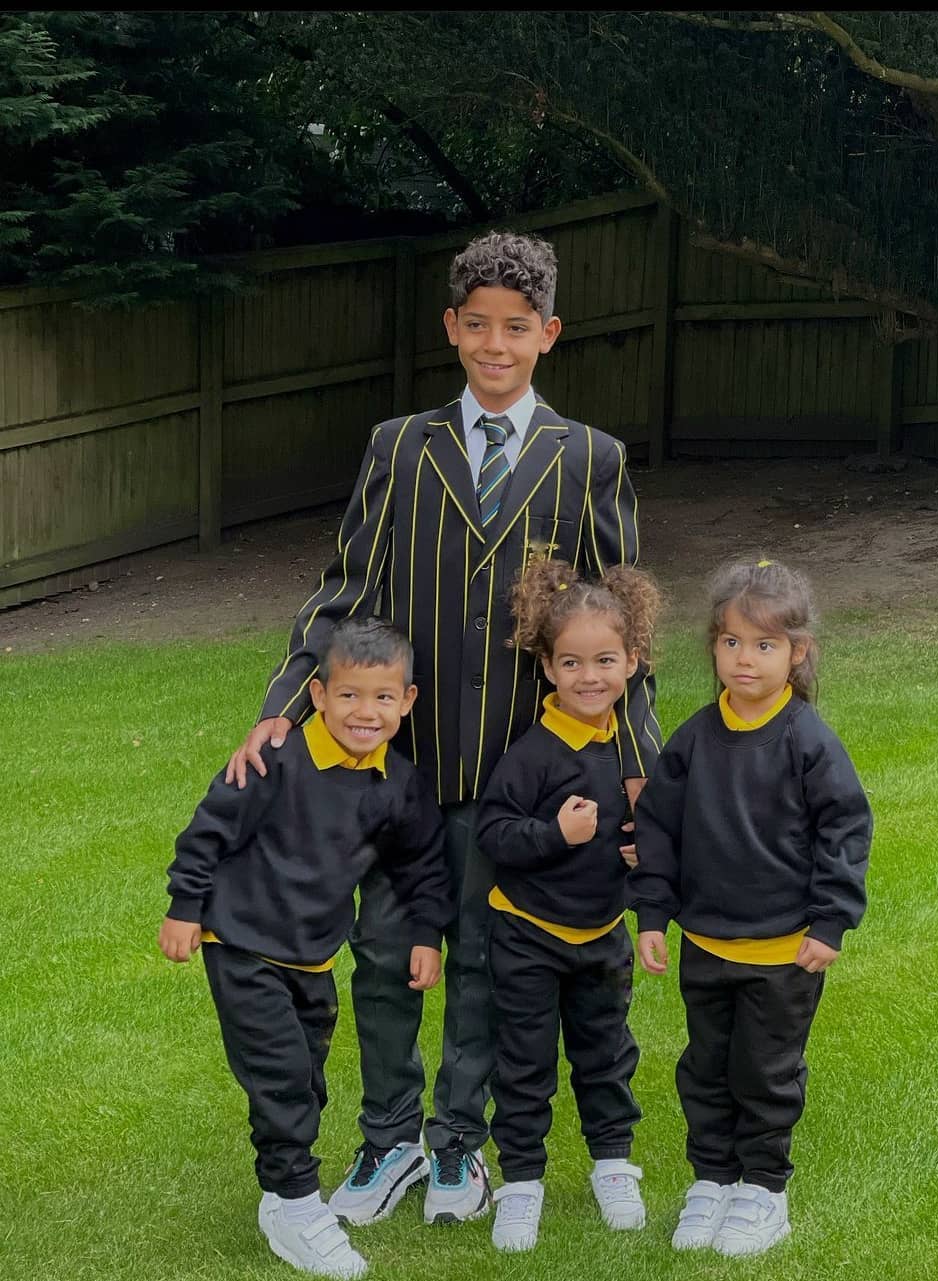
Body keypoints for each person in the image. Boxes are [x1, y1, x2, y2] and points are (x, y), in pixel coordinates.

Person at [225, 231, 661, 1227]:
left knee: (485, 964)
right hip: (401, 771)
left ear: (548, 333)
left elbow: (620, 631)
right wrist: (280, 709)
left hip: (523, 776)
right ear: (452, 329)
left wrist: (639, 764)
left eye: (517, 328)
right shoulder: (399, 447)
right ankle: (390, 1141)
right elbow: (345, 591)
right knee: (385, 952)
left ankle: (460, 1145)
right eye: (478, 326)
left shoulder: (589, 459)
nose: (495, 345)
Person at [159, 619, 452, 1279]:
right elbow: (207, 831)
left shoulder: (397, 783)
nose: (365, 712)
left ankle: (278, 1193)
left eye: (383, 697)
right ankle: (297, 1205)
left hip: (312, 957)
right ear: (318, 694)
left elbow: (422, 866)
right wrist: (184, 907)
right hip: (241, 943)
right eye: (349, 695)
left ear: (407, 701)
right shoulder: (274, 760)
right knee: (282, 1075)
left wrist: (425, 935)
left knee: (306, 1083)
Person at [628, 559, 872, 1258]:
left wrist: (830, 921)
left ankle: (764, 1190)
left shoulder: (807, 740)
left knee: (764, 1072)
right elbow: (657, 829)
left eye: (764, 644)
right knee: (705, 1068)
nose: (745, 658)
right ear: (713, 646)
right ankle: (713, 1178)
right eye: (731, 641)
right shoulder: (694, 739)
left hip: (783, 953)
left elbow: (845, 829)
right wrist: (652, 915)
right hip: (707, 946)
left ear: (798, 652)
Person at [475, 557, 661, 1252]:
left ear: (631, 662)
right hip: (528, 936)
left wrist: (640, 854)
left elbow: (647, 838)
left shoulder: (629, 754)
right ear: (548, 668)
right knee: (524, 1066)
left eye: (605, 660)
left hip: (602, 936)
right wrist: (556, 833)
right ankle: (521, 1183)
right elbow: (494, 832)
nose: (590, 676)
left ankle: (613, 1166)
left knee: (606, 1057)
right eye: (573, 662)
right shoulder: (534, 753)